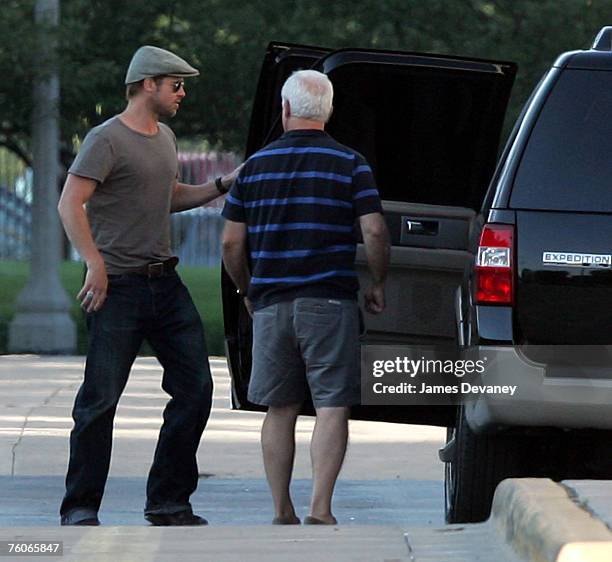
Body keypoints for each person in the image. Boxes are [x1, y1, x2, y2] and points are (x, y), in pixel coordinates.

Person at [57, 45, 239, 526]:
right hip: (116, 286)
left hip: (165, 282)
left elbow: (168, 195)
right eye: (176, 85)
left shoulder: (165, 137)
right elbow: (70, 203)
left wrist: (223, 185)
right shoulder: (106, 139)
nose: (183, 93)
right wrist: (94, 262)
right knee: (99, 402)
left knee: (196, 389)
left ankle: (168, 500)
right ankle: (79, 507)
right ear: (147, 84)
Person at [222, 70, 390, 525]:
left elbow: (230, 245)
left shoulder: (254, 167)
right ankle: (321, 508)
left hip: (272, 303)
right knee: (332, 404)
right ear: (329, 111)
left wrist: (246, 289)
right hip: (330, 302)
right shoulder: (351, 163)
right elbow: (373, 228)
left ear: (285, 109)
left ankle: (281, 509)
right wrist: (377, 280)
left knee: (280, 408)